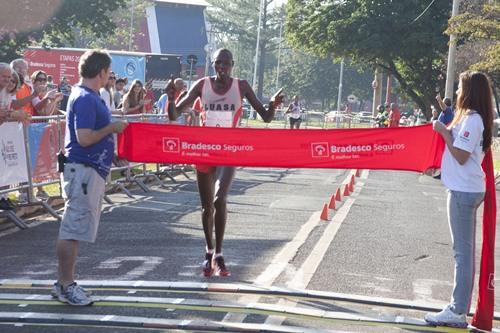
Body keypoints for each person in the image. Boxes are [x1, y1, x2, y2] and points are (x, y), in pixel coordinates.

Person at [168, 48, 283, 277]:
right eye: (218, 63)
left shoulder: (241, 86)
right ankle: (208, 251)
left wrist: (272, 105)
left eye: (226, 63)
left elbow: (265, 117)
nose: (222, 67)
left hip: (229, 151)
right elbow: (174, 114)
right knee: (206, 206)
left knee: (220, 199)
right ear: (213, 65)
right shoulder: (202, 85)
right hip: (204, 151)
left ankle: (219, 255)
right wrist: (172, 98)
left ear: (232, 64)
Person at [52, 50, 128, 306]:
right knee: (72, 228)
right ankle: (65, 284)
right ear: (101, 72)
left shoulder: (87, 95)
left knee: (75, 227)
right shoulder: (85, 97)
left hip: (88, 170)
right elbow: (84, 137)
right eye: (109, 72)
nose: (110, 77)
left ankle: (64, 282)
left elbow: (89, 136)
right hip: (82, 170)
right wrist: (112, 128)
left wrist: (111, 151)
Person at [425, 71, 494, 328]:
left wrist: (444, 133)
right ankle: (458, 307)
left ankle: (457, 310)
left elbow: (462, 156)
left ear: (469, 91)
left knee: (462, 254)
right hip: (464, 189)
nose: (457, 93)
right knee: (462, 252)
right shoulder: (471, 118)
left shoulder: (474, 120)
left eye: (460, 88)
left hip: (464, 191)